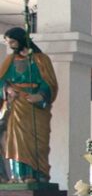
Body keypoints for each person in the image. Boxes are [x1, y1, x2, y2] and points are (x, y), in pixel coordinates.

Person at [0, 27, 58, 183]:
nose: (11, 45)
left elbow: (49, 83)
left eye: (12, 41)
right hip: (16, 104)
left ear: (21, 40)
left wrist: (40, 95)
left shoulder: (40, 59)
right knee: (15, 139)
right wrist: (7, 88)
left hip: (35, 105)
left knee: (36, 140)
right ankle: (19, 175)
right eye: (8, 42)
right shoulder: (10, 61)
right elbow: (1, 81)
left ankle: (37, 173)